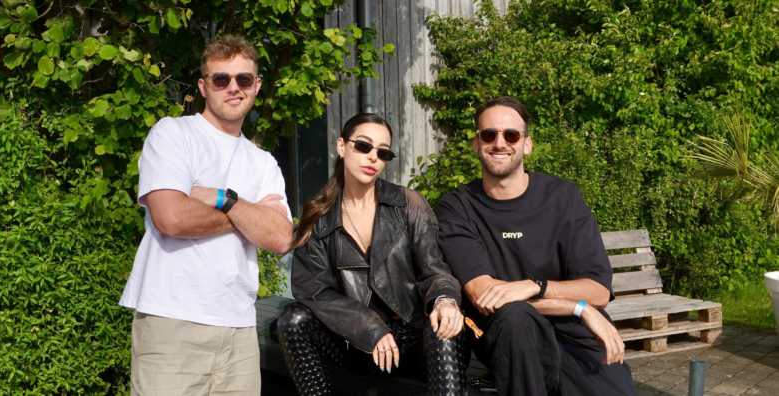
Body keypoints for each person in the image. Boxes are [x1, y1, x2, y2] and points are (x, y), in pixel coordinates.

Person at [118, 35, 294, 396]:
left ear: (257, 86)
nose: (233, 87)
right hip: (172, 321)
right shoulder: (173, 134)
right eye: (221, 79)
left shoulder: (263, 162)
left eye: (244, 79)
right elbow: (172, 218)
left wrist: (222, 199)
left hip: (239, 329)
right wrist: (251, 214)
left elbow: (280, 237)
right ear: (203, 86)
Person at [436, 96, 638, 396]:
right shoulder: (458, 207)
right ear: (477, 144)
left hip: (575, 335)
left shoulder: (562, 196)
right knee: (515, 318)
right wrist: (578, 307)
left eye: (511, 135)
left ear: (526, 144)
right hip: (510, 337)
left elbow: (598, 291)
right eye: (489, 134)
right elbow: (484, 296)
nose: (500, 143)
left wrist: (534, 287)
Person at [275, 113, 468, 396]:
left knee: (444, 323)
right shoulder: (318, 217)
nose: (373, 157)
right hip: (358, 345)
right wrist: (369, 328)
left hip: (417, 341)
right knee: (292, 320)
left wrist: (445, 300)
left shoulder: (408, 204)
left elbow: (434, 270)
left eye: (383, 151)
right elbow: (314, 292)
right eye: (363, 146)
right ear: (341, 147)